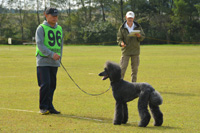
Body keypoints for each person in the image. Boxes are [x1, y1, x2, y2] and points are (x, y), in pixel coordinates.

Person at [35, 7, 63, 115]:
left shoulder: (59, 28)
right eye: (52, 16)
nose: (55, 18)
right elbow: (40, 45)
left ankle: (50, 106)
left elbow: (60, 46)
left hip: (54, 62)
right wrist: (52, 54)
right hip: (43, 61)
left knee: (52, 85)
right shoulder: (41, 28)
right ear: (46, 15)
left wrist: (59, 58)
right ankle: (43, 107)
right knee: (45, 84)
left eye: (56, 16)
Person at [117, 11, 145, 82]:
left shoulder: (138, 27)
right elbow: (119, 39)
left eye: (131, 18)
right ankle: (120, 85)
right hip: (125, 51)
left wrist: (139, 36)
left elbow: (142, 37)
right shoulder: (122, 28)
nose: (130, 19)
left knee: (134, 71)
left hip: (135, 51)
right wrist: (121, 43)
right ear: (126, 18)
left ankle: (134, 85)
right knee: (122, 69)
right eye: (129, 18)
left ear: (133, 18)